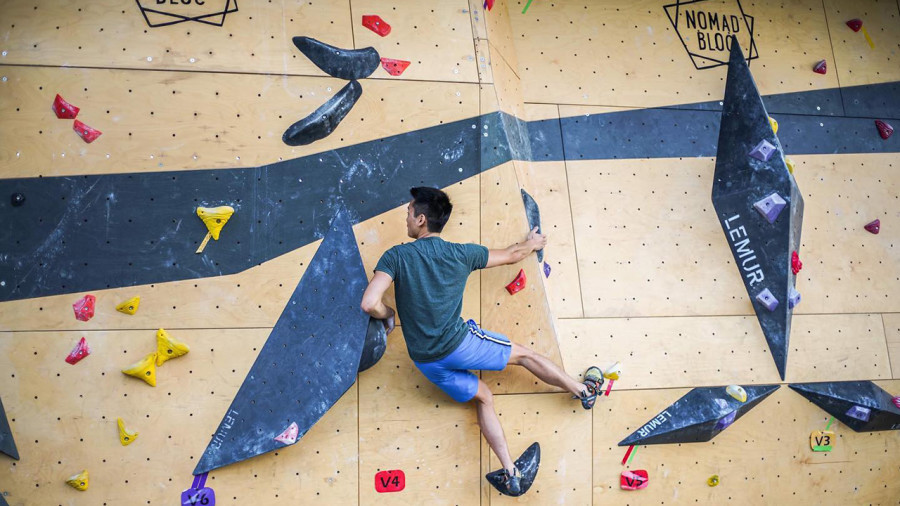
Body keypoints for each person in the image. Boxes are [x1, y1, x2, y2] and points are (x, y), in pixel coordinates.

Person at [360, 187, 603, 496]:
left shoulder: (396, 256)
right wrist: (533, 243)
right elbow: (512, 255)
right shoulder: (463, 253)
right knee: (524, 356)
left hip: (425, 360)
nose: (405, 217)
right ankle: (585, 391)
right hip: (459, 345)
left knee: (484, 396)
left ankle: (511, 473)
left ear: (421, 219)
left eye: (408, 212)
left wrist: (389, 313)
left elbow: (369, 303)